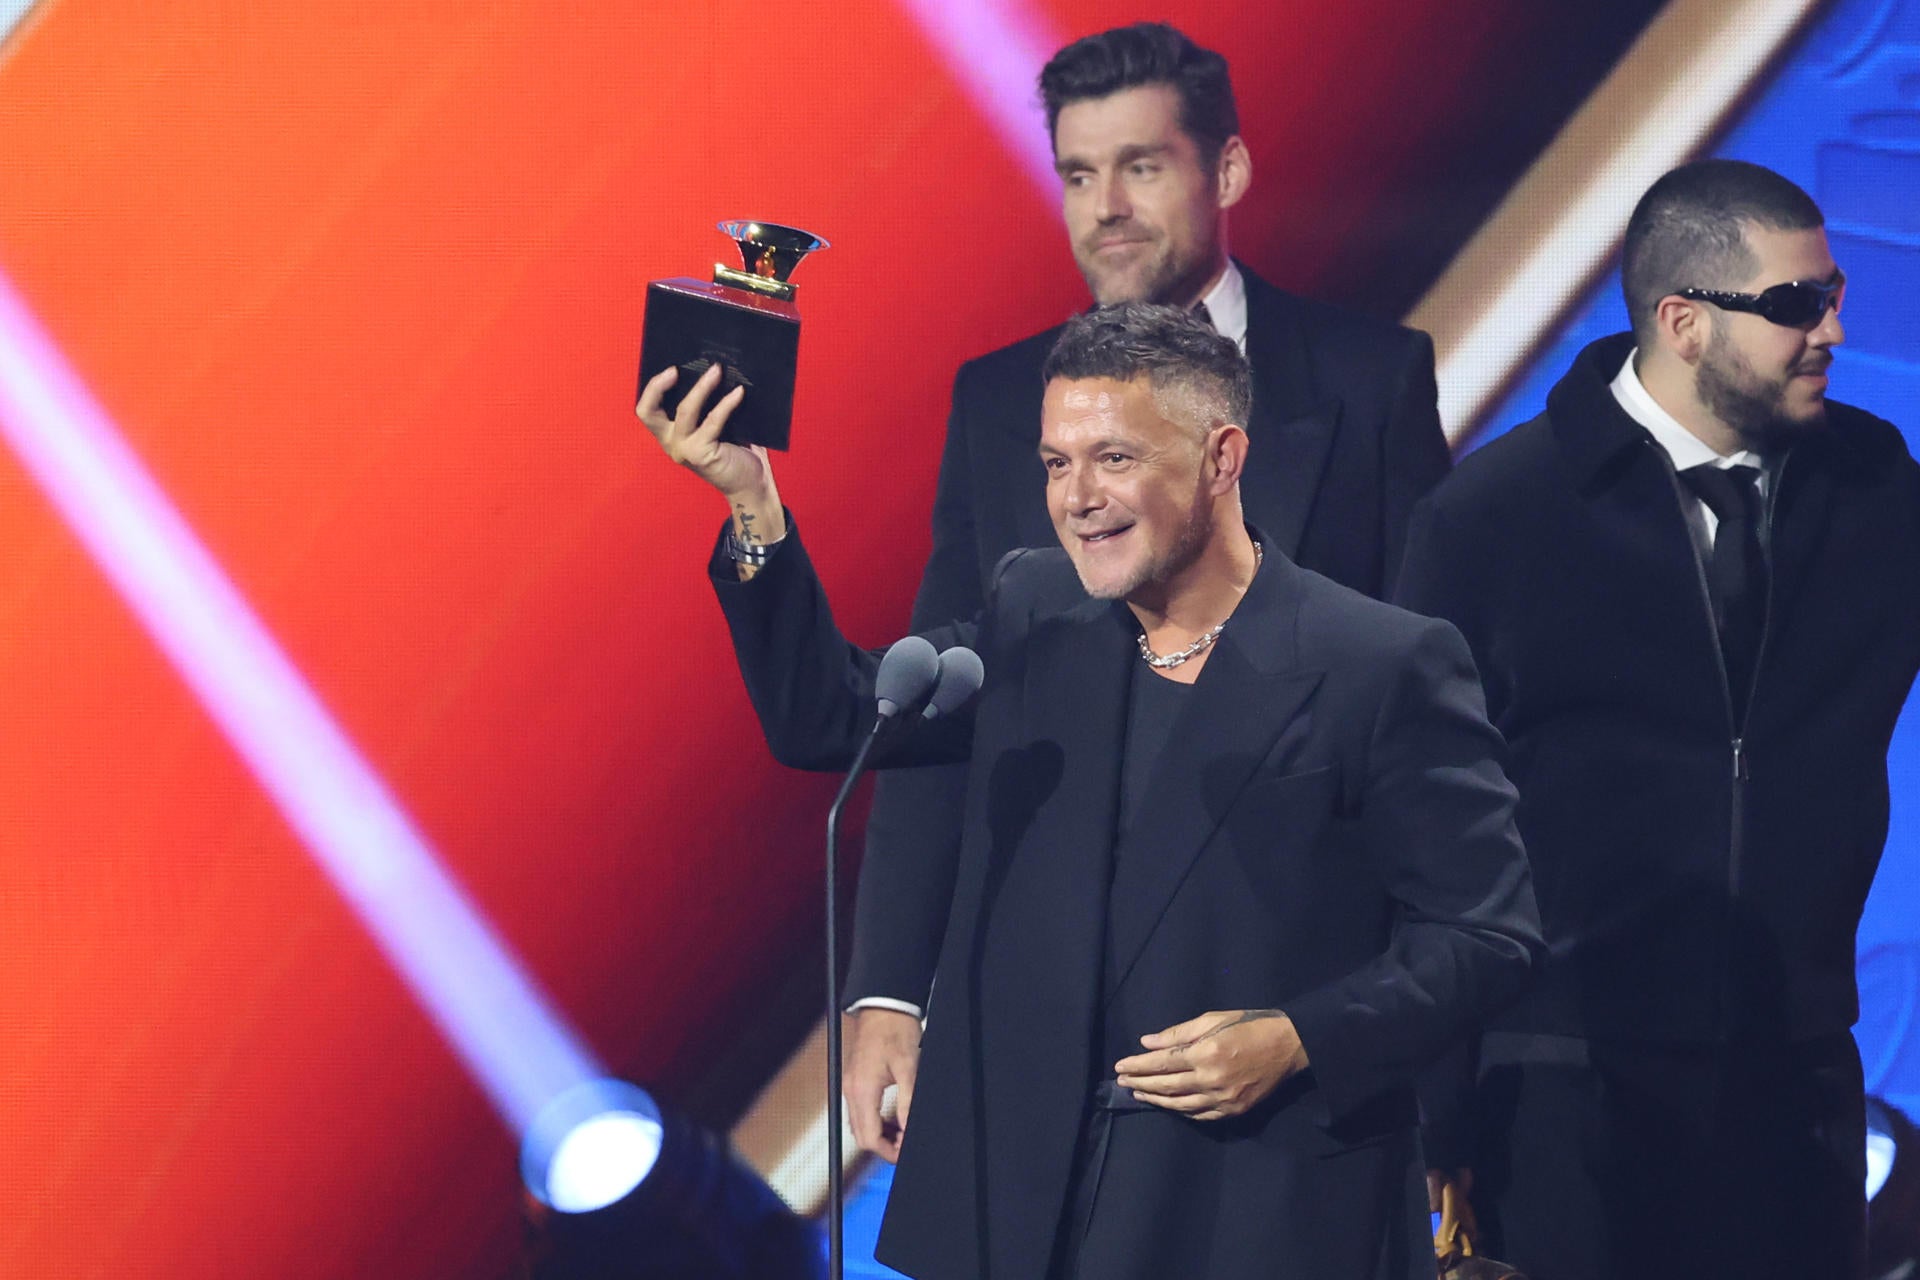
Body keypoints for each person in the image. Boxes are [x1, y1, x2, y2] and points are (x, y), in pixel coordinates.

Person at [639, 302, 1539, 1280]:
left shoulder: (1380, 663)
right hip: (1024, 1208)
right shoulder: (1037, 611)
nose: (1076, 497)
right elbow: (837, 713)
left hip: (1246, 1209)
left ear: (1222, 457)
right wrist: (751, 501)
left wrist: (1296, 1037)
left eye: (1112, 458)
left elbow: (1486, 935)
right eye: (1056, 464)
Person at [845, 21, 1452, 1166]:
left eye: (1142, 165)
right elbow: (931, 717)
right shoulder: (997, 405)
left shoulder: (1368, 381)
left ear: (1224, 172)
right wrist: (888, 991)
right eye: (1079, 173)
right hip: (1059, 1026)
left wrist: (1418, 1048)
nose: (1106, 206)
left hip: (1293, 1020)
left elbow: (1437, 732)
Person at [1396, 159, 1920, 1279]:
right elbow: (1415, 832)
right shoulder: (1494, 519)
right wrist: (1436, 1112)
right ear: (1682, 321)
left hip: (1801, 1082)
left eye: (1831, 294)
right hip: (1560, 1084)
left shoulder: (1877, 488)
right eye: (1794, 305)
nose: (1830, 327)